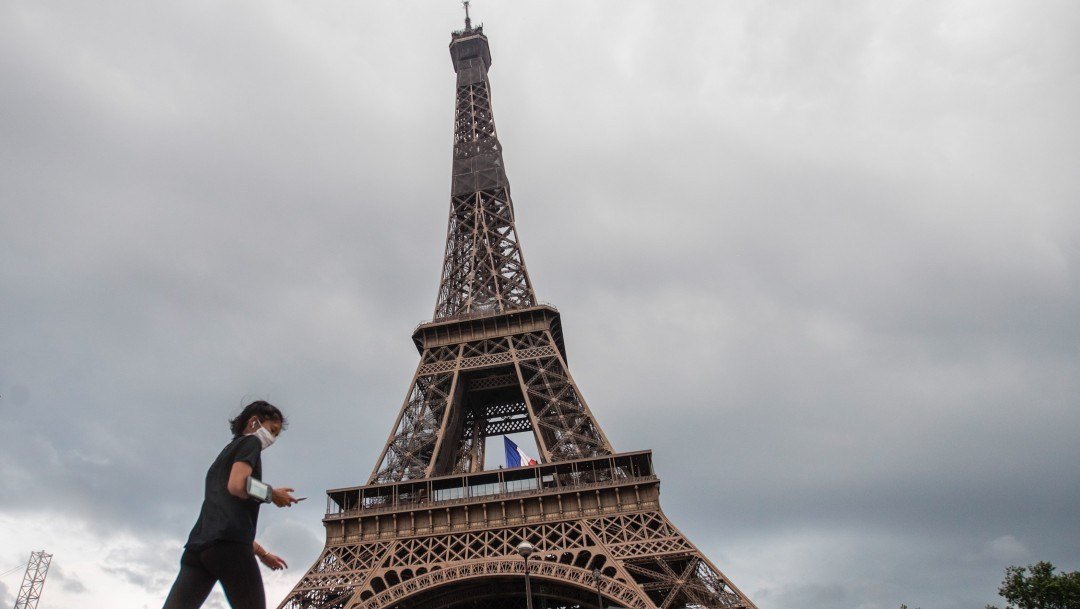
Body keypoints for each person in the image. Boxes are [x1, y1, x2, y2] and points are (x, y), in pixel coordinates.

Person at [163, 400, 300, 609]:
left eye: (276, 434)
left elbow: (224, 516)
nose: (272, 438)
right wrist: (272, 494)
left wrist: (262, 553)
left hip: (197, 550)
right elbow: (237, 485)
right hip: (229, 546)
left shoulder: (224, 455)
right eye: (272, 430)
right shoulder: (250, 443)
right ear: (254, 422)